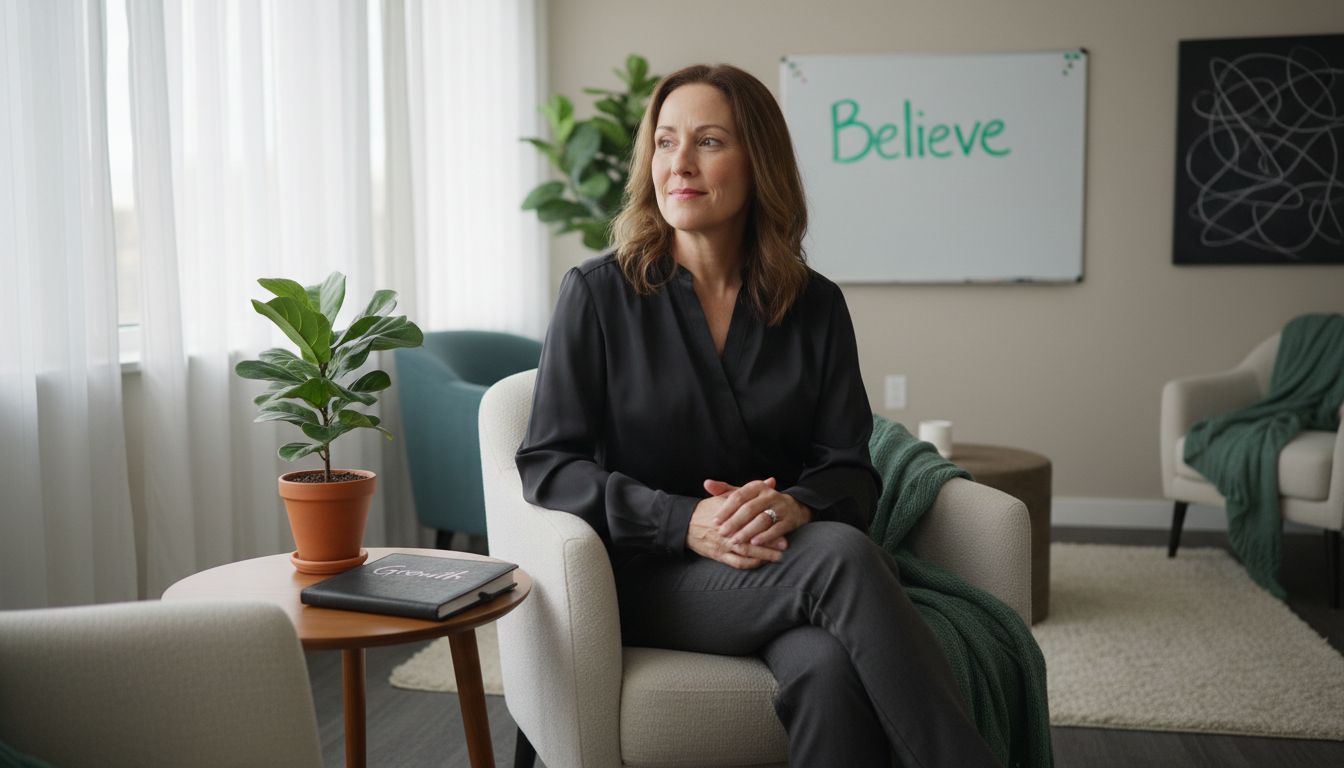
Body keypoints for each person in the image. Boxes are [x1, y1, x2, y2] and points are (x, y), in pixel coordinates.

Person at [516, 63, 1000, 768]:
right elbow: (547, 468)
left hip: (779, 564)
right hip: (646, 577)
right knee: (843, 558)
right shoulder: (597, 296)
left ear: (758, 163)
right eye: (665, 142)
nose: (679, 163)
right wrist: (685, 521)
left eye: (708, 142)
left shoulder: (817, 306)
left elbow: (850, 472)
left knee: (830, 671)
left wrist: (796, 508)